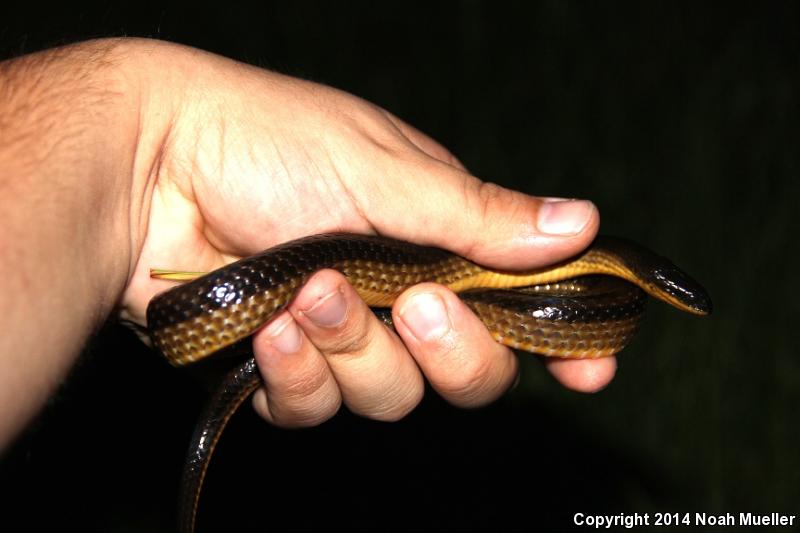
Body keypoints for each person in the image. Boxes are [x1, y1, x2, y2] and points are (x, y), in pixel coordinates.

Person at [0, 38, 614, 452]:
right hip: (207, 297)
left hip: (204, 284)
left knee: (398, 321)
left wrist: (151, 156)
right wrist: (152, 138)